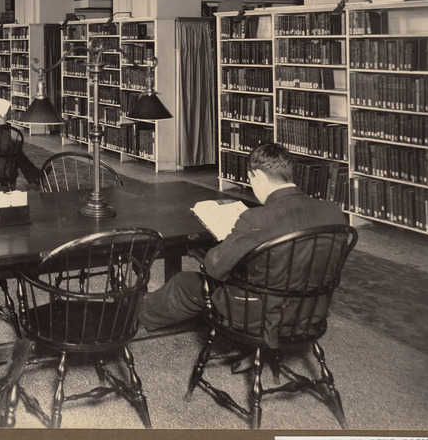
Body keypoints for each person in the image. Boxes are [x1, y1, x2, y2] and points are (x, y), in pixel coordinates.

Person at [137, 142, 346, 351]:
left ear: (259, 176)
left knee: (184, 283)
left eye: (251, 180)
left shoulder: (255, 219)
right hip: (311, 311)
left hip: (262, 313)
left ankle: (132, 315)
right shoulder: (333, 211)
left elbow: (214, 268)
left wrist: (225, 244)